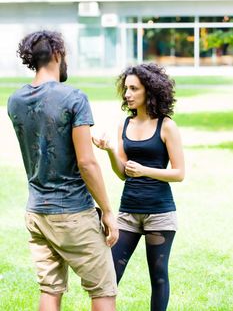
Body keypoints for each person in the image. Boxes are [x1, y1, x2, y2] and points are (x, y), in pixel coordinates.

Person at [7, 30, 118, 311]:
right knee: (103, 290)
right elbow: (86, 162)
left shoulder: (15, 100)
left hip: (36, 213)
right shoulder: (74, 98)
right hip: (72, 212)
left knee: (50, 289)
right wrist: (106, 210)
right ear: (57, 54)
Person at [92, 63, 185, 311]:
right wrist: (111, 150)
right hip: (128, 212)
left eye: (134, 88)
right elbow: (123, 173)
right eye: (126, 89)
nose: (127, 94)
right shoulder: (125, 125)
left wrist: (145, 171)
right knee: (110, 274)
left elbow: (179, 173)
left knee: (159, 276)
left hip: (160, 213)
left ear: (149, 91)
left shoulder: (166, 126)